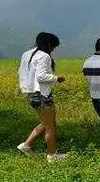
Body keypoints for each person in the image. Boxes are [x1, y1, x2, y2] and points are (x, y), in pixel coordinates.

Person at [17, 32, 67, 161]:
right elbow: (41, 76)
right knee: (50, 126)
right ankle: (52, 155)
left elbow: (22, 72)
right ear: (49, 44)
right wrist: (57, 78)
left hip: (31, 93)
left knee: (46, 122)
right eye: (53, 47)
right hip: (42, 95)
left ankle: (26, 145)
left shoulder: (26, 54)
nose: (53, 50)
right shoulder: (44, 56)